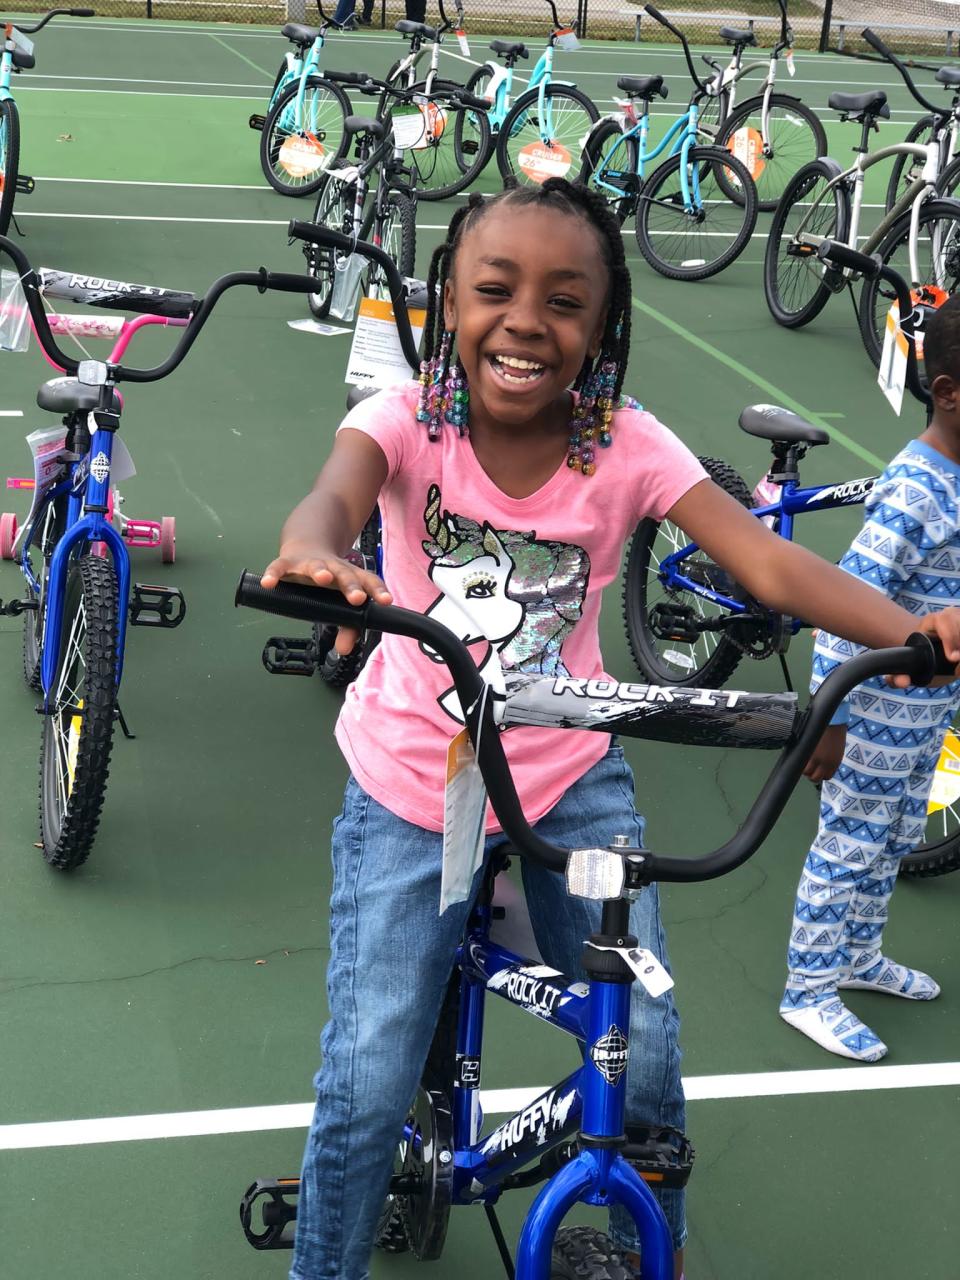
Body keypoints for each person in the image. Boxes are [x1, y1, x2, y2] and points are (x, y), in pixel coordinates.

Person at [261, 179, 960, 1280]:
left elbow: (768, 561)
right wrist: (314, 548)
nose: (527, 319)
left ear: (604, 325)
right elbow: (334, 498)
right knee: (367, 1078)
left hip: (569, 775)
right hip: (412, 783)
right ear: (450, 299)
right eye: (495, 289)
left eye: (566, 300)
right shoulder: (403, 419)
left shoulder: (624, 442)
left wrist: (914, 626)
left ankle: (655, 1254)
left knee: (643, 1064)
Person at [780, 295, 960, 1063]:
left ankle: (858, 954)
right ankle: (808, 988)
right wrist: (832, 716)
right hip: (873, 711)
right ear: (949, 393)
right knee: (847, 845)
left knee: (889, 839)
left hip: (922, 715)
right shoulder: (917, 489)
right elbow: (844, 603)